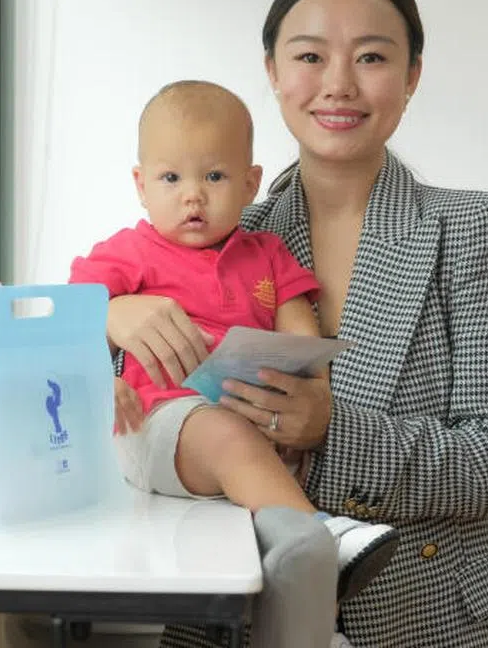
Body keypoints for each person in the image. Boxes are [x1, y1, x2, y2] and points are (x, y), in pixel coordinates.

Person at [106, 0, 488, 648]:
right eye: (310, 56)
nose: (338, 84)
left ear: (412, 77)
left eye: (371, 56)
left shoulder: (477, 228)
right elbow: (140, 419)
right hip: (240, 615)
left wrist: (330, 431)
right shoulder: (210, 235)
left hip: (429, 623)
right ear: (274, 73)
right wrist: (107, 320)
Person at [68, 80, 401, 607]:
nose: (192, 195)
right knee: (226, 437)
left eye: (215, 176)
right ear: (140, 184)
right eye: (171, 177)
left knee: (267, 541)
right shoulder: (129, 252)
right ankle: (320, 535)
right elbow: (61, 318)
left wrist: (311, 387)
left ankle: (323, 631)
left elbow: (300, 330)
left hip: (247, 424)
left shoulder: (266, 252)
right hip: (158, 425)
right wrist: (100, 362)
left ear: (250, 184)